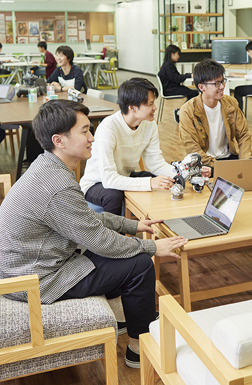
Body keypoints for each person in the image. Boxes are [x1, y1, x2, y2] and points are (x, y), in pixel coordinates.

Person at [0, 99, 188, 368]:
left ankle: (131, 317)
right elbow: (100, 241)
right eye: (85, 131)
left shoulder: (47, 167)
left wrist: (131, 226)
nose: (92, 137)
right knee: (140, 265)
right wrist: (152, 248)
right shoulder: (58, 185)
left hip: (27, 268)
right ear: (59, 140)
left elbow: (86, 219)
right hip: (36, 281)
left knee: (120, 254)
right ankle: (138, 349)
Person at [80, 77, 209, 215]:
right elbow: (109, 179)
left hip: (125, 176)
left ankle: (159, 223)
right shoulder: (108, 128)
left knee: (164, 180)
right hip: (97, 183)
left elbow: (156, 165)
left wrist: (187, 172)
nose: (155, 107)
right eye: (150, 104)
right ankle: (115, 235)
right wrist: (150, 183)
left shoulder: (149, 125)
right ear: (133, 108)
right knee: (113, 195)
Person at [179, 58, 252, 173]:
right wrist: (222, 168)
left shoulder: (230, 103)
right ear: (201, 87)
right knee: (203, 174)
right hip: (205, 164)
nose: (222, 86)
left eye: (222, 81)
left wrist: (245, 161)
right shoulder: (188, 110)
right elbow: (191, 147)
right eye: (217, 83)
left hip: (227, 158)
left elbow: (243, 135)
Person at [158, 44, 198, 123]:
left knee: (193, 93)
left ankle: (183, 112)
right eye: (177, 54)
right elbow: (176, 79)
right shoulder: (168, 66)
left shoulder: (167, 65)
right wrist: (189, 75)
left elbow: (177, 77)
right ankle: (180, 112)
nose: (178, 56)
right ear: (172, 54)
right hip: (170, 90)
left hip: (171, 88)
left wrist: (188, 75)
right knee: (194, 93)